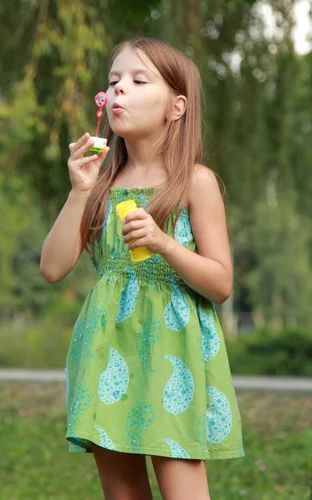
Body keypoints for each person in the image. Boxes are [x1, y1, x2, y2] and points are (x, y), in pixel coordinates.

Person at [40, 37, 244, 500]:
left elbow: (221, 284)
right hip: (106, 349)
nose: (118, 92)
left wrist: (164, 244)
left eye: (137, 80)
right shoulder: (98, 182)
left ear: (176, 107)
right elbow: (52, 268)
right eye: (113, 82)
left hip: (175, 357)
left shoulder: (195, 181)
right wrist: (77, 190)